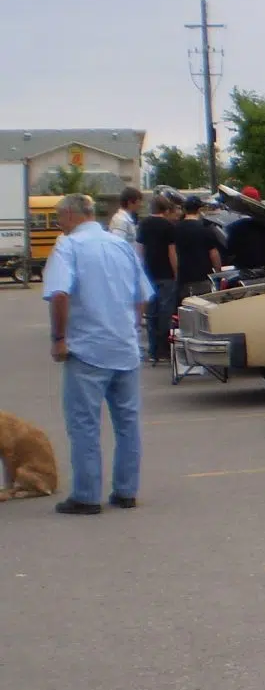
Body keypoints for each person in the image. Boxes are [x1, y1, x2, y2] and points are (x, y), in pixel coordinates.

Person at [41, 193, 152, 515]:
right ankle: (126, 491)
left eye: (60, 218)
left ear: (72, 215)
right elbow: (141, 295)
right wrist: (132, 327)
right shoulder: (120, 245)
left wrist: (59, 338)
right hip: (124, 347)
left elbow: (59, 293)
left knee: (84, 424)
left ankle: (87, 495)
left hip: (88, 348)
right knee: (128, 423)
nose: (59, 224)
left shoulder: (68, 246)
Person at [136, 194, 179, 363]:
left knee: (151, 313)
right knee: (166, 311)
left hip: (148, 274)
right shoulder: (169, 227)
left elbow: (139, 249)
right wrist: (176, 271)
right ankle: (164, 349)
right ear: (166, 209)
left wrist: (140, 271)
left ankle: (153, 350)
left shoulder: (144, 225)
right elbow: (172, 252)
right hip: (166, 274)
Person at [173, 195, 224, 301]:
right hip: (203, 278)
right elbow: (213, 253)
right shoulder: (206, 229)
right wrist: (218, 273)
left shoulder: (175, 229)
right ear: (199, 210)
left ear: (185, 209)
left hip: (183, 279)